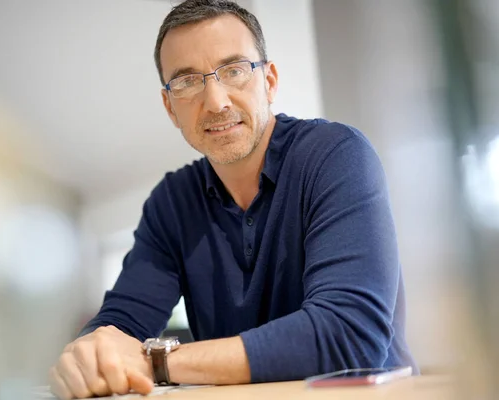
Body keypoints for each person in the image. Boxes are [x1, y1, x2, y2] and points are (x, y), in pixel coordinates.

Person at [49, 0, 417, 398]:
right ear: (170, 107)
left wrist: (159, 363)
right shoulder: (171, 204)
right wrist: (90, 357)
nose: (216, 102)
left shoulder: (335, 156)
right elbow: (118, 326)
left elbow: (348, 336)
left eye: (234, 70)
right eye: (187, 81)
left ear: (270, 81)